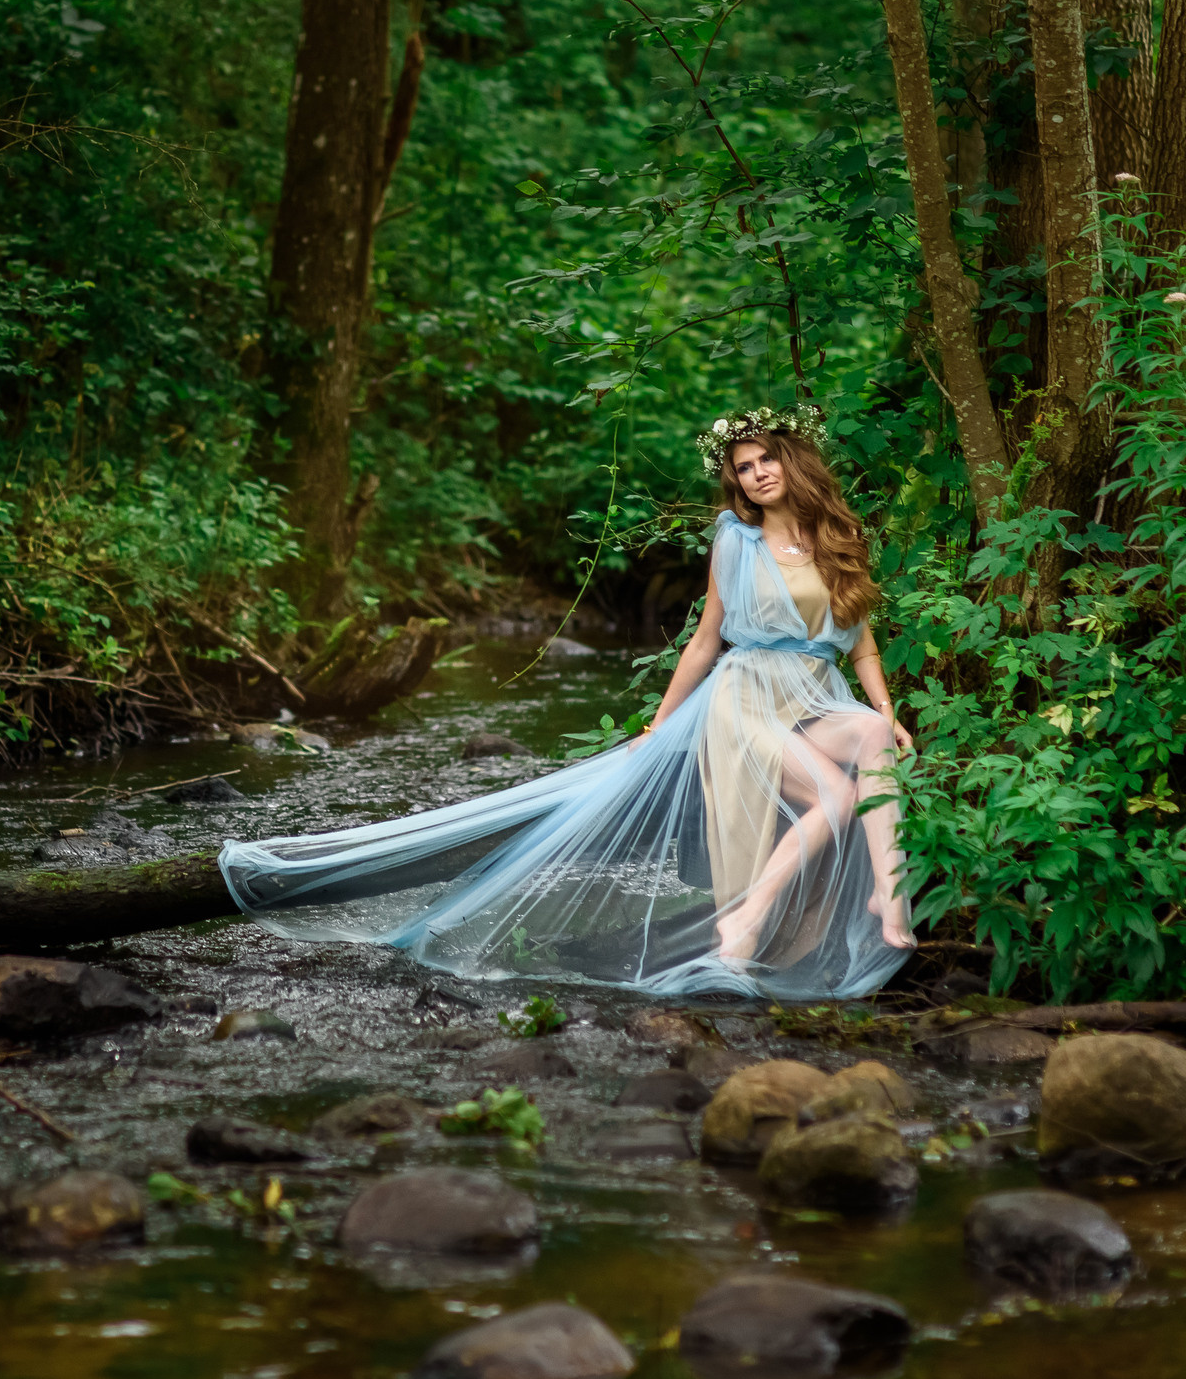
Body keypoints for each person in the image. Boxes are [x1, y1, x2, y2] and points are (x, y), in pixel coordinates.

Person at [219, 402, 916, 1000]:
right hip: (746, 699)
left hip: (814, 693)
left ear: (794, 461)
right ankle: (749, 918)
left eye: (767, 459)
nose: (757, 473)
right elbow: (706, 642)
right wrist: (662, 722)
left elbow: (861, 645)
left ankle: (887, 892)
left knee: (875, 739)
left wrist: (883, 708)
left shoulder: (839, 538)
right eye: (743, 466)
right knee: (833, 794)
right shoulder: (736, 541)